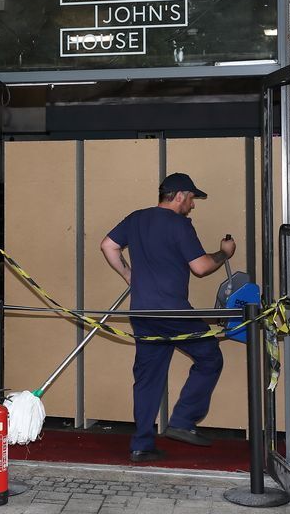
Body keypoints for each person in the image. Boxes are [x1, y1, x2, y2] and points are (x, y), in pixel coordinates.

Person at [100, 172, 236, 462]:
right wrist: (224, 254)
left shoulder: (136, 218)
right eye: (191, 198)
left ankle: (141, 445)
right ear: (178, 196)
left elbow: (107, 245)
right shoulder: (179, 225)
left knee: (148, 377)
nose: (193, 205)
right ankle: (183, 422)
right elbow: (200, 267)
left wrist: (129, 276)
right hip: (174, 312)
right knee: (210, 357)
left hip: (143, 311)